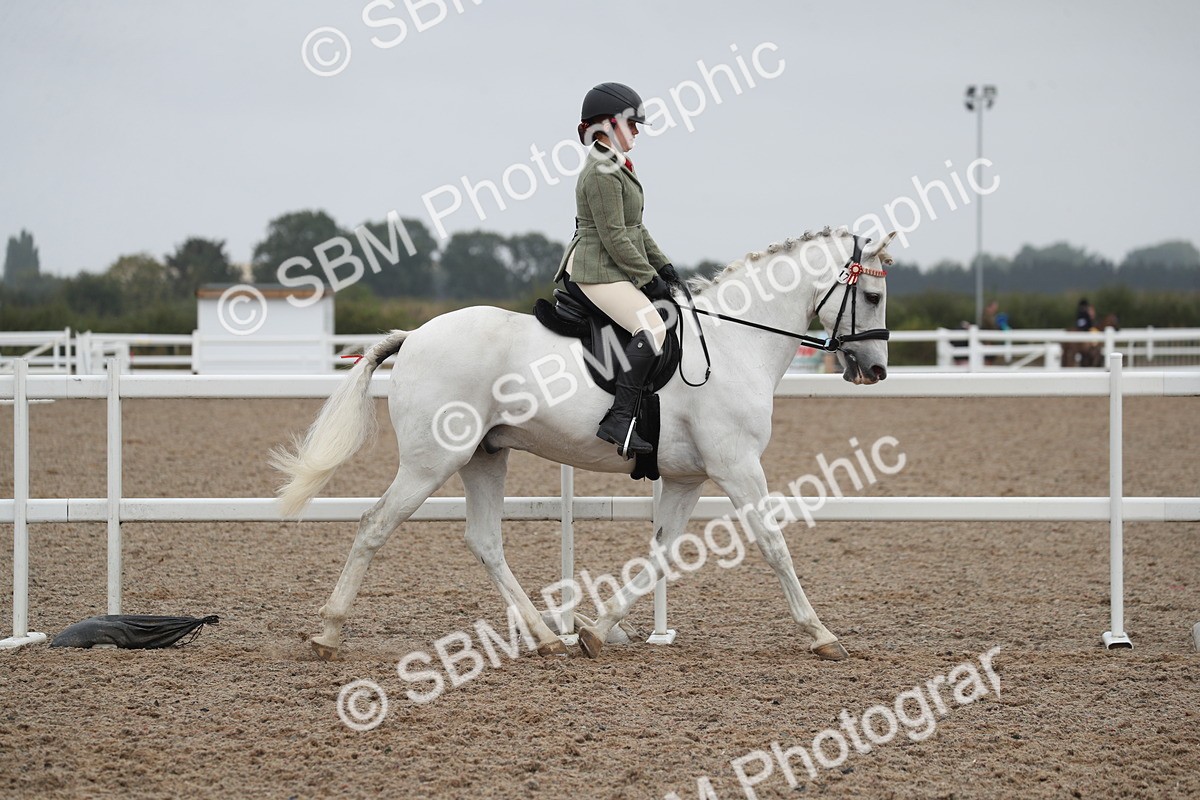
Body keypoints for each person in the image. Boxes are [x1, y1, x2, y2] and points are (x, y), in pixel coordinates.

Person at [552, 82, 682, 457]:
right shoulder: (601, 172)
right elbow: (614, 238)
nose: (638, 132)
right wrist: (649, 281)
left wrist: (665, 268)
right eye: (633, 124)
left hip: (610, 265)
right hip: (595, 269)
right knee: (653, 325)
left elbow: (636, 229)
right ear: (609, 125)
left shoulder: (618, 166)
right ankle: (619, 419)